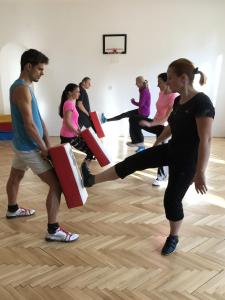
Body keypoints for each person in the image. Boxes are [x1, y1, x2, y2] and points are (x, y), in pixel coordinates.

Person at [81, 58, 215, 256]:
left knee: (172, 200)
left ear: (184, 78)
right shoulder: (179, 101)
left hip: (188, 161)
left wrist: (200, 172)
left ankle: (173, 236)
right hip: (172, 149)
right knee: (133, 162)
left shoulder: (202, 102)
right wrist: (158, 142)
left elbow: (207, 140)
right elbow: (171, 126)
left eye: (170, 78)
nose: (167, 82)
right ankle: (91, 180)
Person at [6, 49, 78, 242]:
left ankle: (12, 209)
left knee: (16, 176)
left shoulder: (27, 86)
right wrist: (43, 148)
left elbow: (38, 119)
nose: (42, 72)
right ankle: (53, 230)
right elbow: (29, 124)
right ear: (28, 66)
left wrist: (48, 141)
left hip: (23, 145)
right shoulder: (21, 88)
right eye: (39, 68)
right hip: (29, 147)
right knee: (56, 185)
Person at [128, 73, 178, 186]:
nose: (157, 85)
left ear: (166, 83)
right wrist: (150, 123)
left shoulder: (173, 97)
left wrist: (150, 124)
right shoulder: (162, 92)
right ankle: (138, 141)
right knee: (133, 118)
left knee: (162, 152)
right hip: (155, 123)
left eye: (159, 82)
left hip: (164, 127)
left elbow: (165, 118)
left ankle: (161, 177)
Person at [101, 76, 151, 147]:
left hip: (144, 113)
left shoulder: (144, 91)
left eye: (136, 82)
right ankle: (106, 120)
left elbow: (141, 104)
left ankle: (138, 142)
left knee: (133, 121)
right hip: (141, 111)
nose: (135, 84)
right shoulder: (142, 89)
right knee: (125, 114)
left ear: (140, 82)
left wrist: (133, 102)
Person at [59, 83, 94, 164]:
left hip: (70, 134)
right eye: (77, 91)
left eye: (79, 91)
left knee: (63, 155)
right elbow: (67, 122)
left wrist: (79, 129)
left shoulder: (71, 103)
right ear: (70, 93)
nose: (79, 93)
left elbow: (74, 120)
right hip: (68, 136)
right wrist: (77, 132)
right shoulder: (69, 104)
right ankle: (85, 171)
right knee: (90, 151)